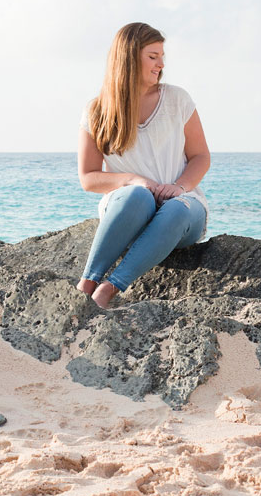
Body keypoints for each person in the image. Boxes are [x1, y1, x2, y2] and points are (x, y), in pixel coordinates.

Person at [76, 22, 211, 309]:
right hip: (129, 209)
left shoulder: (177, 99)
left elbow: (201, 156)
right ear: (128, 57)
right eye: (153, 56)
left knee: (176, 208)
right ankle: (87, 283)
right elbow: (88, 178)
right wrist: (134, 180)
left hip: (183, 210)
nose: (161, 64)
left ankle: (107, 291)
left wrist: (178, 187)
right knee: (137, 195)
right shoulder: (97, 110)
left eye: (162, 56)